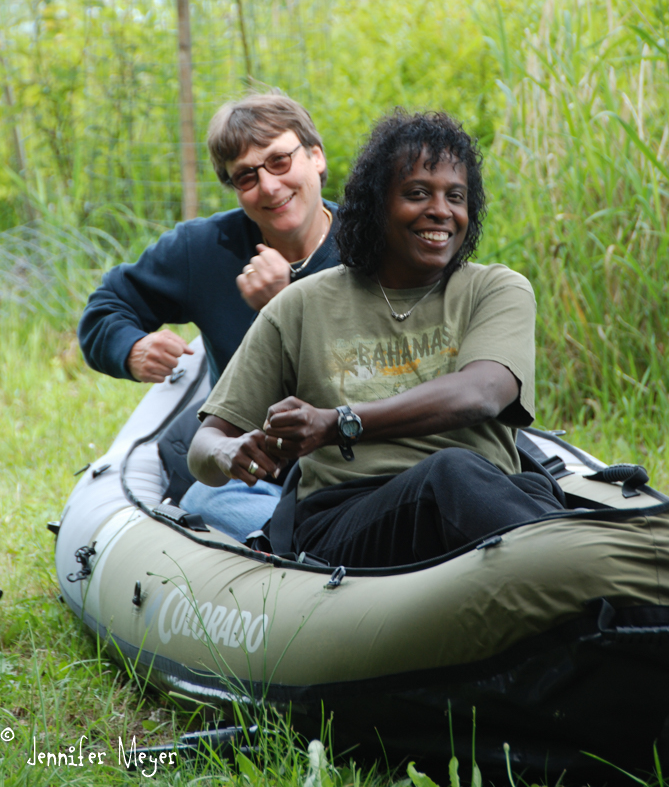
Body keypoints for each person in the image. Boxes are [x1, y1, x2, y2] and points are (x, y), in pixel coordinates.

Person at [187, 109, 565, 566]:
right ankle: (576, 579)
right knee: (448, 472)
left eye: (456, 196)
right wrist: (229, 450)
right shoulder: (300, 305)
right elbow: (205, 444)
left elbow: (484, 393)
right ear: (375, 203)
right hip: (347, 517)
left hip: (487, 496)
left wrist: (337, 422)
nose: (441, 211)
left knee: (464, 475)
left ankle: (590, 582)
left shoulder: (495, 288)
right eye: (418, 193)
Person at [77, 92, 341, 541]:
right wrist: (131, 348)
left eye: (280, 161)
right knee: (205, 498)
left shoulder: (375, 245)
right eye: (246, 177)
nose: (270, 186)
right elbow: (105, 308)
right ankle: (302, 541)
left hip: (354, 456)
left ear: (315, 157)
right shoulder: (204, 250)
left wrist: (285, 302)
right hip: (258, 470)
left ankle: (303, 536)